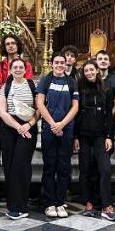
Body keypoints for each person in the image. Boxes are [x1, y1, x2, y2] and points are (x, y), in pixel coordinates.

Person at [73, 60, 115, 221]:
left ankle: (107, 205)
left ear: (97, 70)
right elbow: (76, 115)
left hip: (100, 135)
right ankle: (88, 202)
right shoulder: (80, 88)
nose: (89, 73)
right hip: (83, 135)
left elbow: (109, 117)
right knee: (85, 169)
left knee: (104, 168)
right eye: (86, 71)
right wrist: (76, 137)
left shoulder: (106, 89)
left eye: (92, 70)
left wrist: (109, 137)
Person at [37, 53, 79, 218]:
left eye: (62, 62)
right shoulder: (46, 80)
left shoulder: (71, 82)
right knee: (49, 166)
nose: (60, 65)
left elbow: (75, 107)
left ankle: (60, 202)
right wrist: (53, 124)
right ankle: (49, 203)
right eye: (57, 62)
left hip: (66, 129)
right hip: (49, 128)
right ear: (52, 64)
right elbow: (40, 103)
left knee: (63, 167)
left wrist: (62, 124)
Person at [0, 57, 40, 219]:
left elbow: (39, 109)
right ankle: (12, 204)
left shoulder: (32, 85)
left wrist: (28, 125)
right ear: (10, 69)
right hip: (9, 128)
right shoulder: (5, 88)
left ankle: (21, 206)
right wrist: (18, 127)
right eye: (14, 67)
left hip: (28, 127)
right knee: (9, 166)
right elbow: (2, 112)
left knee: (21, 166)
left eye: (20, 67)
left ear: (25, 69)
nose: (17, 69)